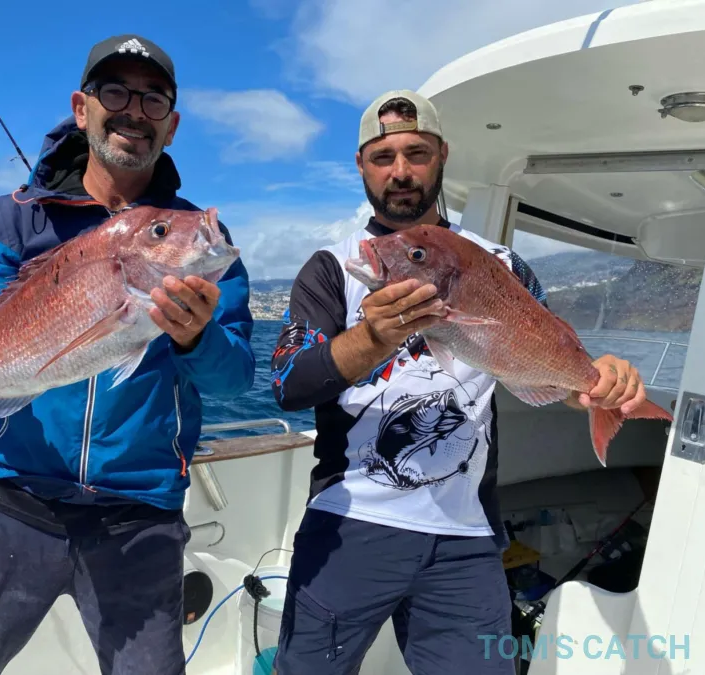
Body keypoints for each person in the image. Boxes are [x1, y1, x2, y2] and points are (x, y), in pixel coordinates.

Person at [269, 89, 649, 674]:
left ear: (443, 155)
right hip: (351, 524)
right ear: (362, 166)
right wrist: (374, 337)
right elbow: (290, 384)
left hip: (467, 535)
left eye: (416, 153)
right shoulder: (331, 265)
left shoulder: (502, 262)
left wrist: (600, 384)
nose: (401, 172)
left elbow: (545, 363)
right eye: (383, 156)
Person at [0, 34, 255, 675]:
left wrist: (193, 338)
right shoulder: (12, 222)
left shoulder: (199, 241)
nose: (133, 111)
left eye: (154, 101)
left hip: (140, 516)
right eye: (115, 93)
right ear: (81, 106)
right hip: (15, 501)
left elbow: (236, 379)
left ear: (172, 126)